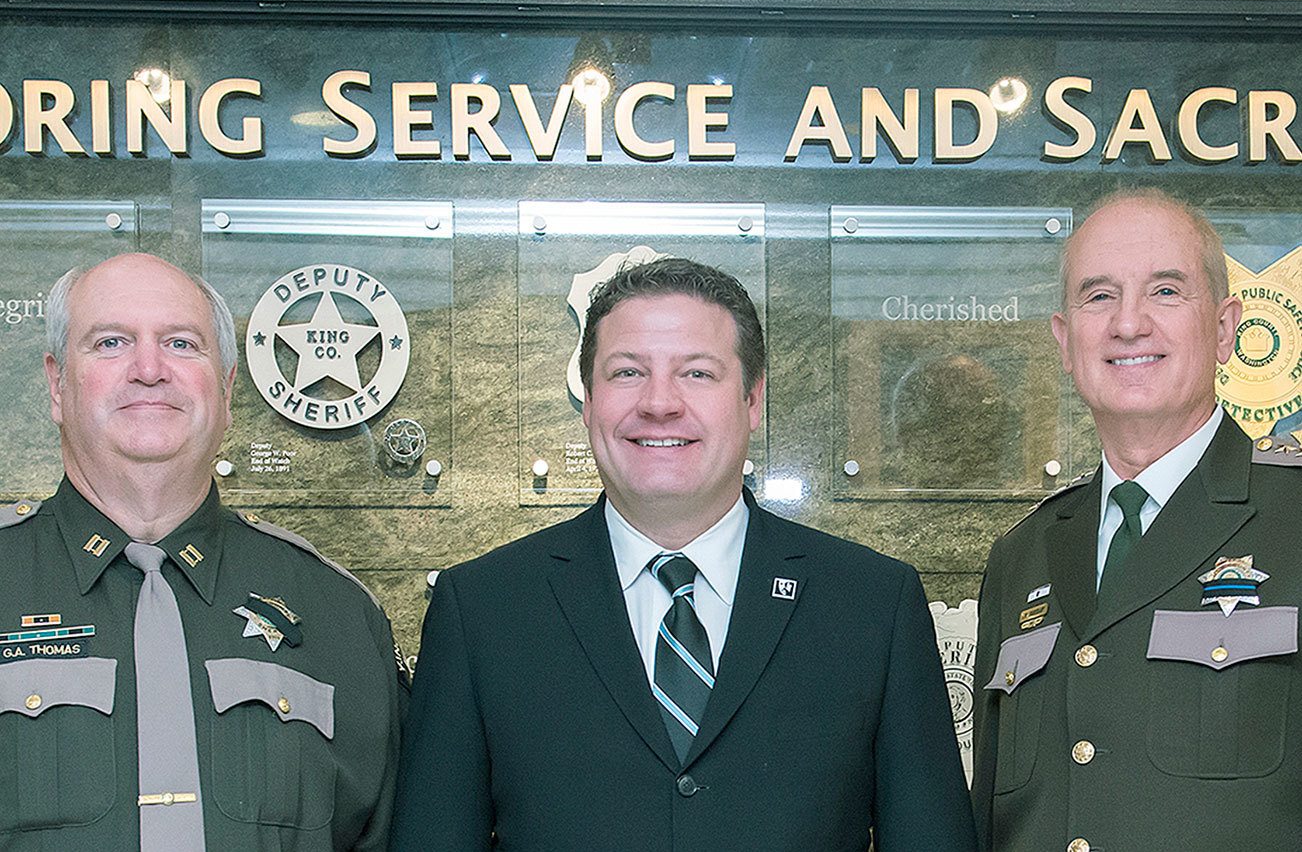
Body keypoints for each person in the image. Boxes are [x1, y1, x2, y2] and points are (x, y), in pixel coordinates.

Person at [392, 257, 976, 851]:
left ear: (752, 399)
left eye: (697, 373)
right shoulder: (484, 609)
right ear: (588, 401)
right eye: (626, 373)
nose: (659, 403)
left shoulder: (873, 604)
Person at [0, 253, 403, 850]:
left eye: (182, 344)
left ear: (227, 386)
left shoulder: (337, 615)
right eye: (111, 342)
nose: (148, 368)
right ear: (58, 384)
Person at [972, 189, 1302, 851]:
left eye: (1166, 292)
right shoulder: (1023, 554)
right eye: (1099, 296)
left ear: (1225, 328)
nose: (1128, 324)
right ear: (1066, 343)